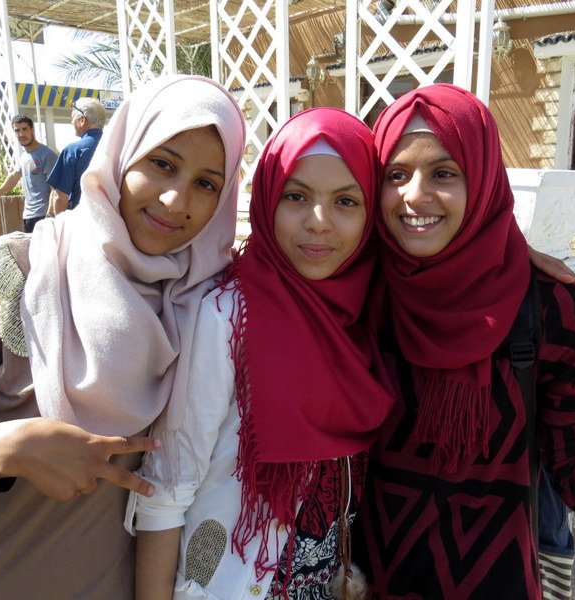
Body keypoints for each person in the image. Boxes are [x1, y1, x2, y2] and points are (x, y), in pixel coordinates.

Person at [352, 83, 575, 599]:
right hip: (360, 580)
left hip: (490, 583)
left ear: (483, 180)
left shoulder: (545, 306)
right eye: (395, 174)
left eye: (444, 173)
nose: (414, 195)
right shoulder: (359, 290)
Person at [0, 74, 246, 599]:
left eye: (206, 184)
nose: (176, 200)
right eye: (162, 163)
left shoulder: (209, 307)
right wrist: (3, 449)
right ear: (122, 153)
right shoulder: (17, 272)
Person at [127, 108, 396, 600]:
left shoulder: (365, 314)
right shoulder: (229, 317)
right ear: (267, 198)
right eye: (296, 196)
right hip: (230, 586)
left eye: (346, 201)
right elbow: (167, 489)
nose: (319, 223)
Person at [0, 114, 58, 233]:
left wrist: (50, 215)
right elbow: (14, 176)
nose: (21, 134)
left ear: (32, 130)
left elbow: (55, 188)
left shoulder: (47, 155)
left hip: (44, 215)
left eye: (24, 129)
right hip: (28, 215)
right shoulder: (24, 156)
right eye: (17, 130)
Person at [48, 97, 107, 214]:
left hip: (82, 219)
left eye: (72, 118)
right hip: (116, 220)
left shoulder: (72, 151)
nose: (71, 122)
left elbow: (61, 197)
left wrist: (59, 222)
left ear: (82, 120)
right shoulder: (118, 146)